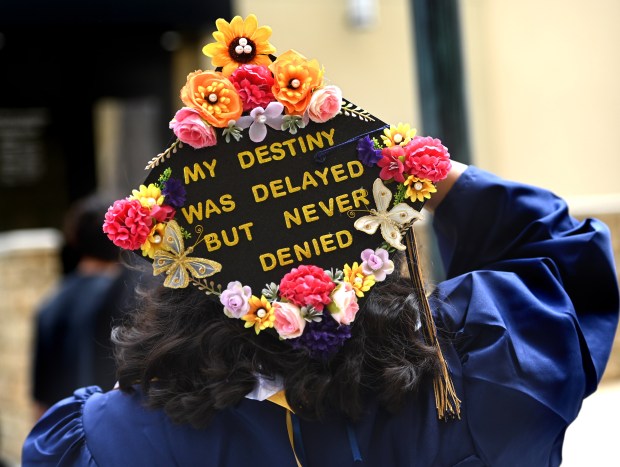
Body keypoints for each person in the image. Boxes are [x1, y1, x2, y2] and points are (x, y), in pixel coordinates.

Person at [21, 161, 619, 466]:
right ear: (372, 251)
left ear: (186, 278)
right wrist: (417, 163)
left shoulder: (110, 442)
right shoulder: (482, 381)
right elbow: (565, 255)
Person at [30, 194, 138, 419]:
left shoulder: (51, 304)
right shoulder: (136, 296)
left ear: (74, 239)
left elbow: (41, 403)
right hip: (120, 430)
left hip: (71, 433)